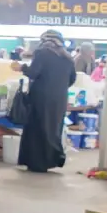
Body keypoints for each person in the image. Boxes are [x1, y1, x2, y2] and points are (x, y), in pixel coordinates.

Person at [16, 29, 76, 173]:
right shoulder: (67, 57)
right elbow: (72, 79)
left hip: (41, 98)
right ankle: (51, 160)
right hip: (60, 99)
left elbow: (33, 73)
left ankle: (37, 163)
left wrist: (22, 67)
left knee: (38, 128)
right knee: (53, 129)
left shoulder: (42, 53)